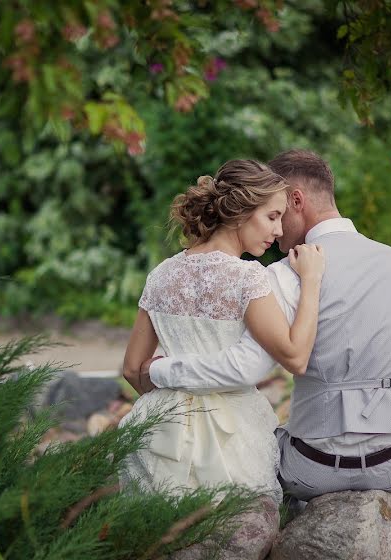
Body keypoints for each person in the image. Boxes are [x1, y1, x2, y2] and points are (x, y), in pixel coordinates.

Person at [143, 149, 391, 501]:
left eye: (279, 214)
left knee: (270, 438)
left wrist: (162, 370)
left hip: (311, 471)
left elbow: (250, 364)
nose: (276, 228)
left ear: (296, 200)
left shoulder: (282, 274)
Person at [118, 158, 326, 504]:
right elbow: (295, 354)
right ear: (241, 212)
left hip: (163, 425)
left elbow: (131, 369)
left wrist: (173, 397)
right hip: (231, 430)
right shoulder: (247, 277)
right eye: (272, 217)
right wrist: (312, 281)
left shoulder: (161, 275)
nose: (278, 231)